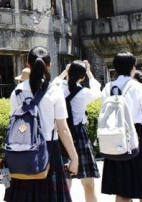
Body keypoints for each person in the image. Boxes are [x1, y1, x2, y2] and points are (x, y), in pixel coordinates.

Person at [5, 46, 78, 202]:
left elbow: (13, 125)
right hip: (49, 150)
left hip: (22, 150)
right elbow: (63, 129)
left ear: (27, 65)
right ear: (49, 65)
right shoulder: (54, 91)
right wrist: (74, 157)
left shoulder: (17, 91)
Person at [101, 51, 142, 202]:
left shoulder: (107, 87)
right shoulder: (139, 88)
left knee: (122, 190)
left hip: (115, 136)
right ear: (133, 68)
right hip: (138, 136)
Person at [53, 60, 101, 202]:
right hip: (79, 135)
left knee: (65, 183)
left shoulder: (57, 89)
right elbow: (98, 91)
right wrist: (89, 71)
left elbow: (54, 82)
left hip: (62, 134)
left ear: (68, 72)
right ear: (83, 77)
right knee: (88, 184)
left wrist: (64, 72)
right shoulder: (84, 93)